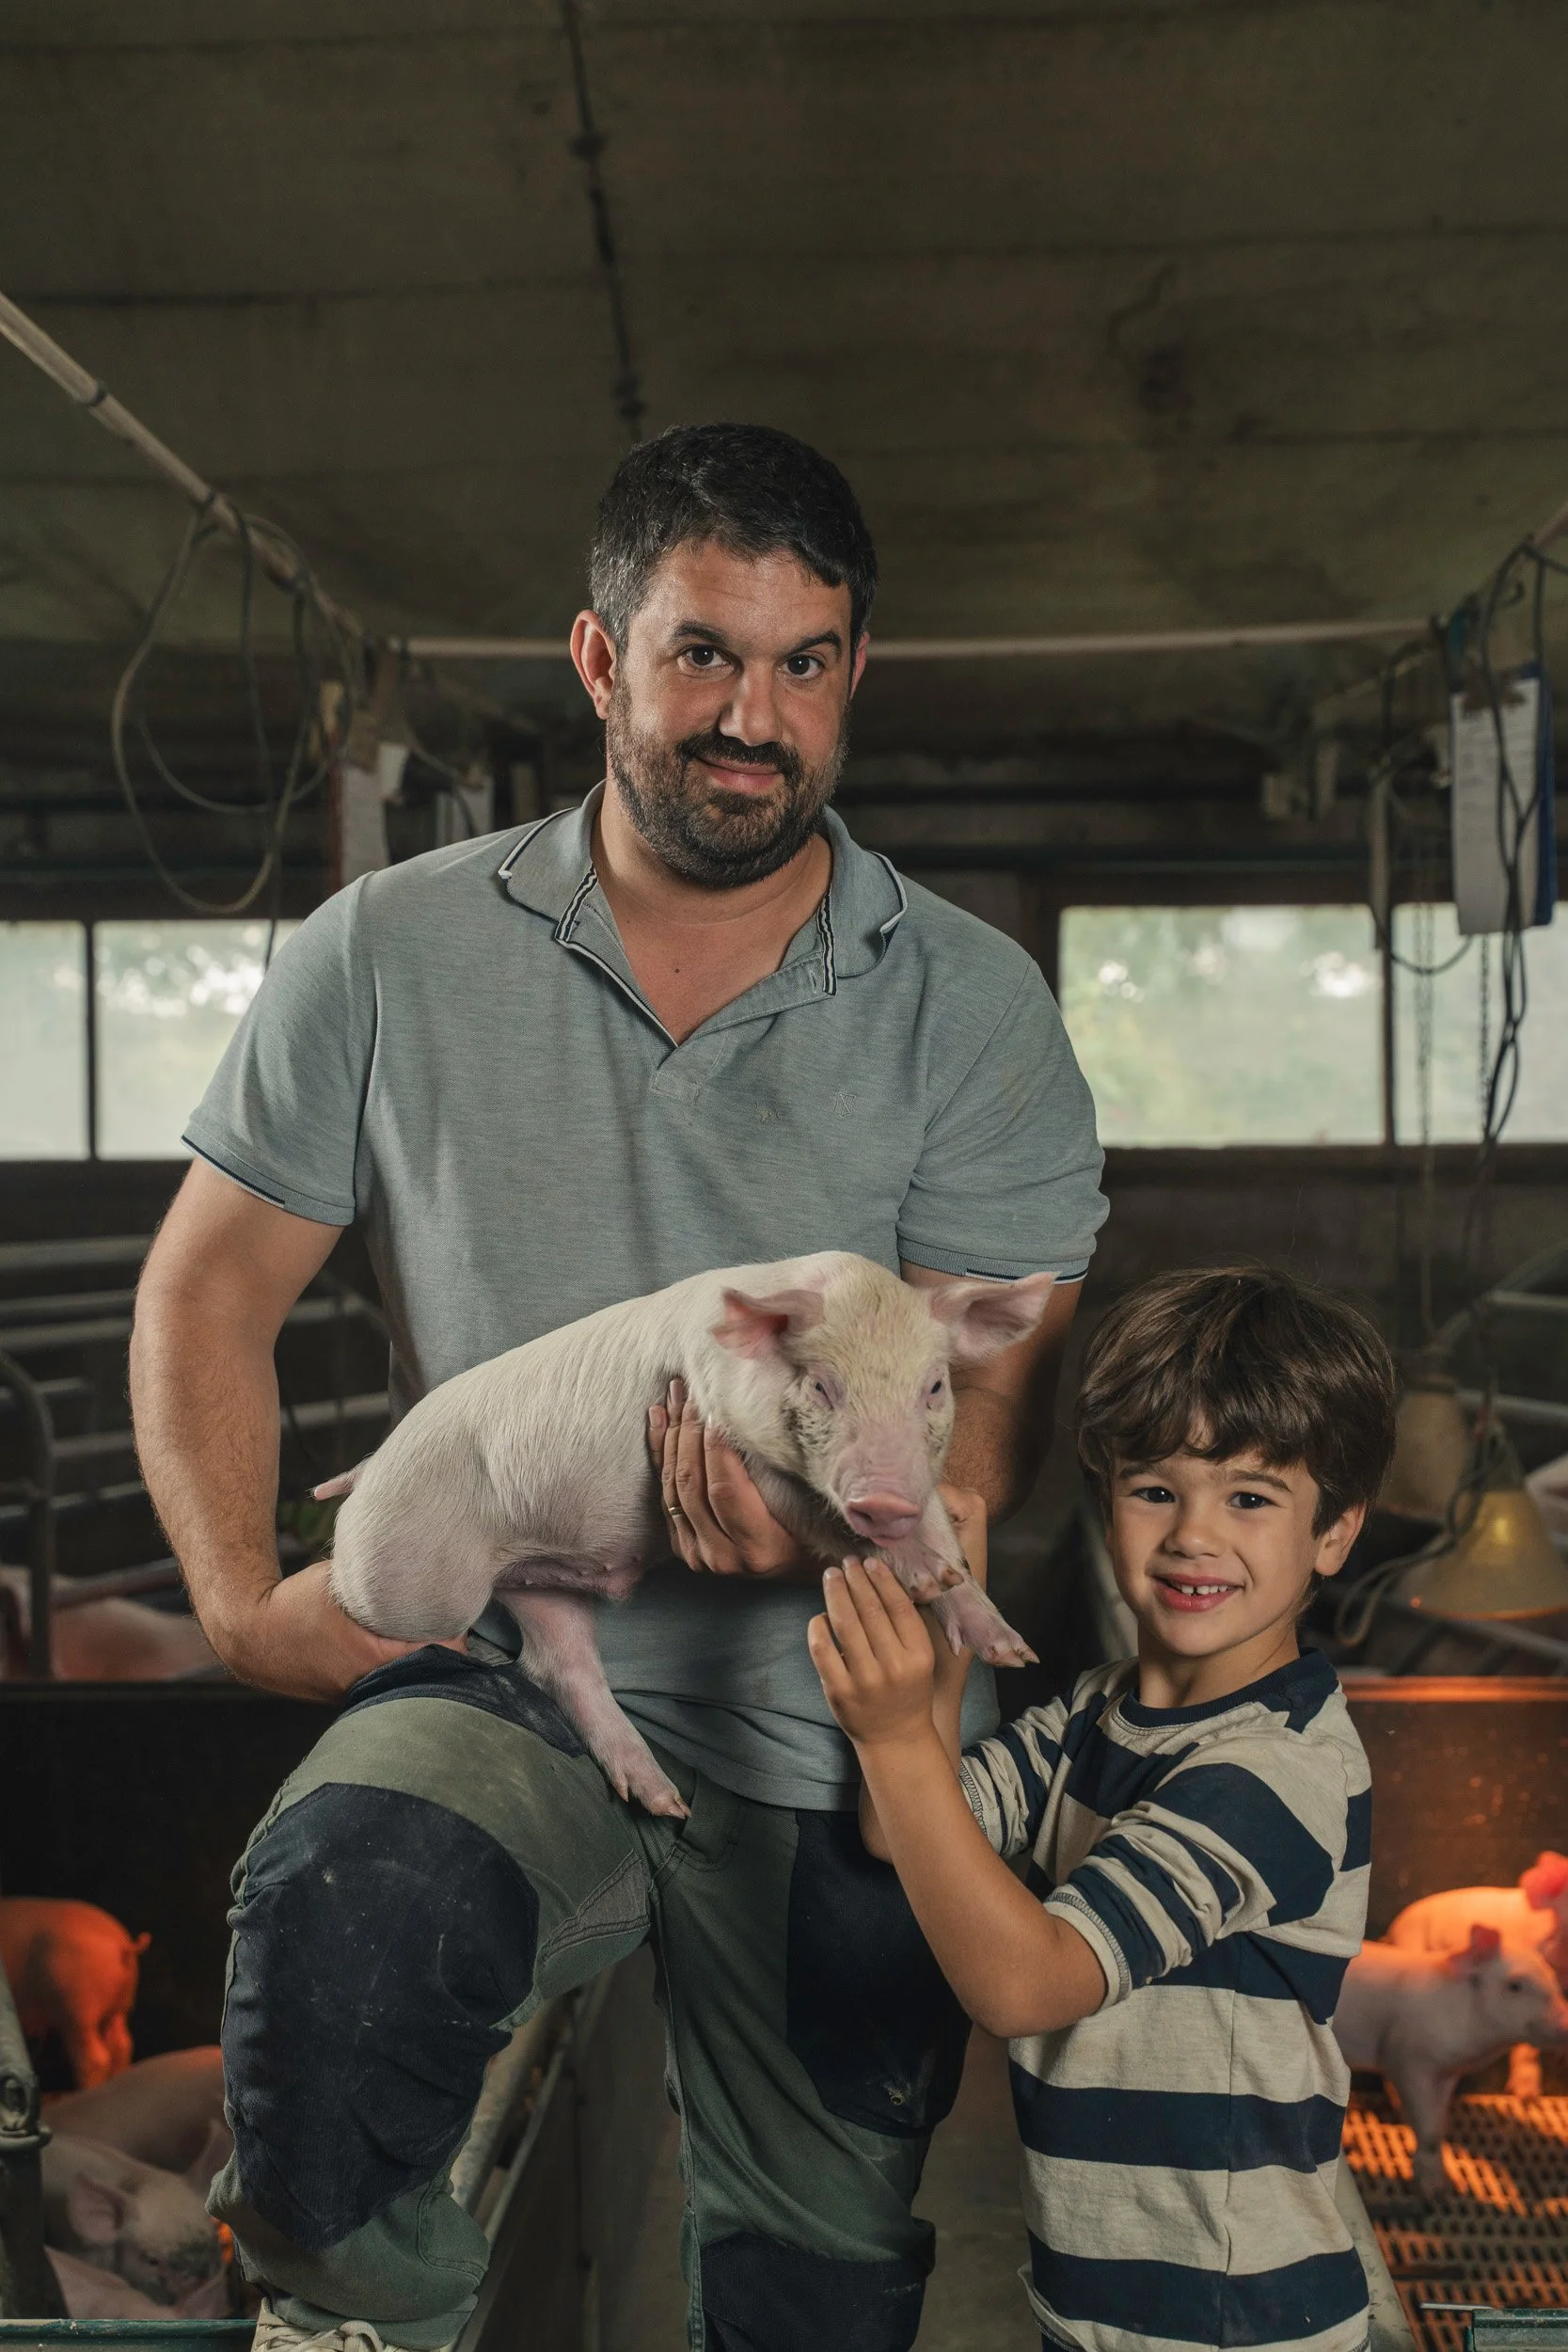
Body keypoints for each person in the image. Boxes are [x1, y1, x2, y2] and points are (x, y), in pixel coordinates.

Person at [129, 422, 1106, 2352]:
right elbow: (205, 1290)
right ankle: (361, 2311)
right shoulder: (389, 952)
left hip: (836, 1700)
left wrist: (853, 1532)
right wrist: (240, 1598)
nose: (753, 715)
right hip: (516, 1646)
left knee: (822, 2273)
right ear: (596, 658)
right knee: (341, 1920)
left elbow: (976, 1411)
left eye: (803, 661)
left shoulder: (970, 1002)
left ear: (850, 676)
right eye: (702, 654)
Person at [811, 1265, 1396, 2352]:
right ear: (1104, 1498)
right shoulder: (1094, 1716)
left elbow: (1023, 1982)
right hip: (1093, 2305)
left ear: (1333, 1531)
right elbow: (905, 1827)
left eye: (1250, 1497)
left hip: (1235, 2324)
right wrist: (945, 1629)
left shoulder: (1278, 1771)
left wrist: (891, 1733)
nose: (1192, 1535)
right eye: (1154, 1488)